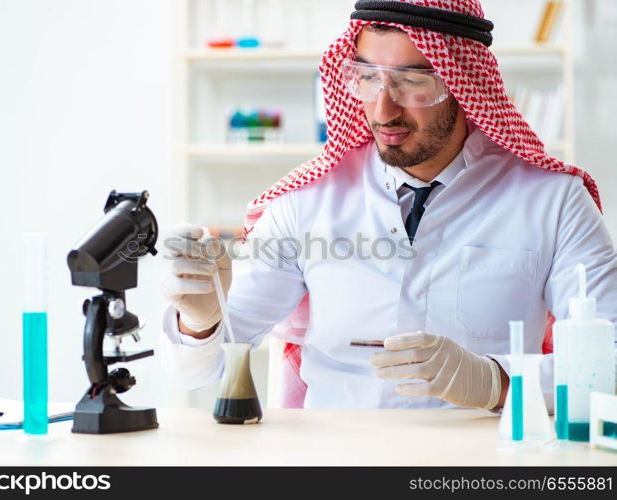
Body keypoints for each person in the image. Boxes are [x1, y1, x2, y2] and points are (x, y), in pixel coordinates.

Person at [160, 0, 617, 410]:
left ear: (463, 82)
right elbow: (199, 372)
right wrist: (200, 320)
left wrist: (496, 381)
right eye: (366, 78)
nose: (383, 110)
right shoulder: (308, 200)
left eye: (412, 82)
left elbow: (608, 368)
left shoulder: (554, 202)